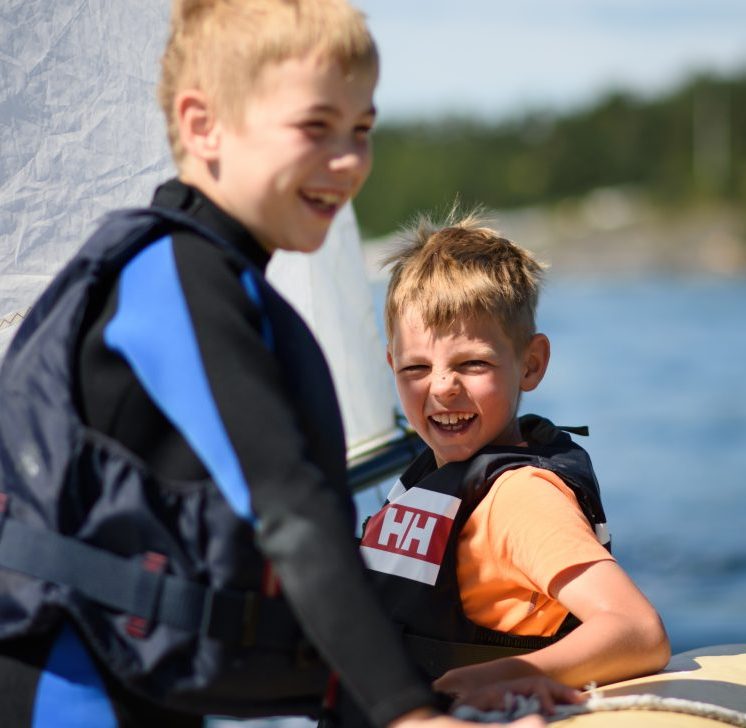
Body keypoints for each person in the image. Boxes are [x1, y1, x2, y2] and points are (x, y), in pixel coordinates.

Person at [0, 2, 557, 727]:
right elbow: (292, 514)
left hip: (141, 685)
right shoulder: (175, 280)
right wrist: (408, 716)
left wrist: (425, 692)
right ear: (204, 126)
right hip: (66, 693)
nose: (351, 159)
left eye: (362, 130)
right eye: (315, 128)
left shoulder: (233, 289)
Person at [356, 208, 671, 714]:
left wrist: (502, 676)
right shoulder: (431, 479)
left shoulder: (519, 496)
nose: (442, 386)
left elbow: (638, 631)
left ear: (530, 363)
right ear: (392, 365)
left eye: (472, 363)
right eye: (417, 366)